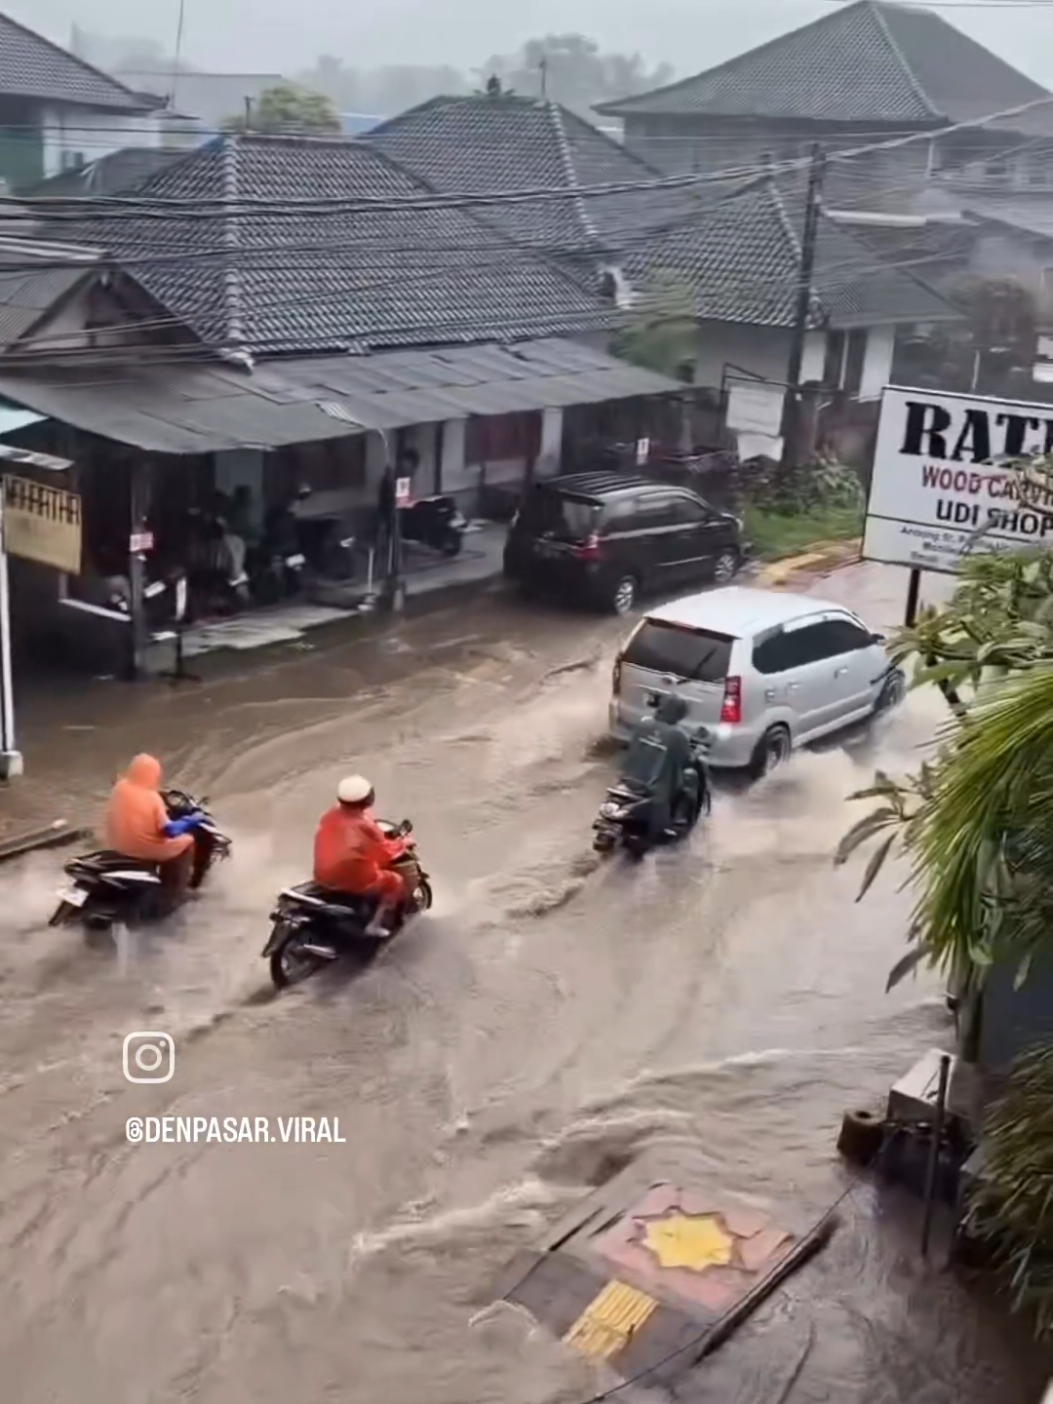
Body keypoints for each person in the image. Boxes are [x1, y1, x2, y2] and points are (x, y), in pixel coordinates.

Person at [313, 775, 409, 936]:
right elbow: (385, 853)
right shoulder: (363, 826)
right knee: (395, 881)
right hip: (353, 878)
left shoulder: (331, 814)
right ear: (368, 799)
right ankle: (375, 925)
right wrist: (403, 844)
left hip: (322, 873)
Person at [104, 754, 201, 895]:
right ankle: (174, 890)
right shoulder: (152, 798)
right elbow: (169, 830)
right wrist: (192, 820)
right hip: (146, 849)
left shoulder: (120, 788)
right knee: (188, 841)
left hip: (119, 846)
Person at [620, 693, 701, 841]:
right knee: (690, 778)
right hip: (654, 785)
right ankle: (677, 821)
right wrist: (698, 752)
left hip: (628, 777)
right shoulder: (677, 735)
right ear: (678, 714)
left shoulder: (643, 723)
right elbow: (686, 759)